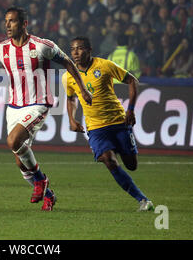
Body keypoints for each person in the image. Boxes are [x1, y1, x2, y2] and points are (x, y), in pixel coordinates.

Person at [0, 7, 92, 211]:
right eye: (6, 21)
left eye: (12, 21)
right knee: (20, 162)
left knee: (13, 141)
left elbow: (68, 63)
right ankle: (49, 194)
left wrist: (82, 90)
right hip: (14, 106)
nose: (7, 25)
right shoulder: (1, 49)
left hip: (38, 103)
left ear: (24, 24)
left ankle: (40, 181)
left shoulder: (42, 46)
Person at [62, 36, 154, 211]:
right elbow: (71, 98)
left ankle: (120, 147)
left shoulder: (105, 66)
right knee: (108, 160)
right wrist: (71, 119)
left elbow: (132, 81)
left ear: (90, 50)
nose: (75, 52)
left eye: (80, 48)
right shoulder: (68, 77)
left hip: (118, 121)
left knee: (131, 165)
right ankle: (142, 200)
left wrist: (131, 109)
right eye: (73, 49)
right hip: (96, 128)